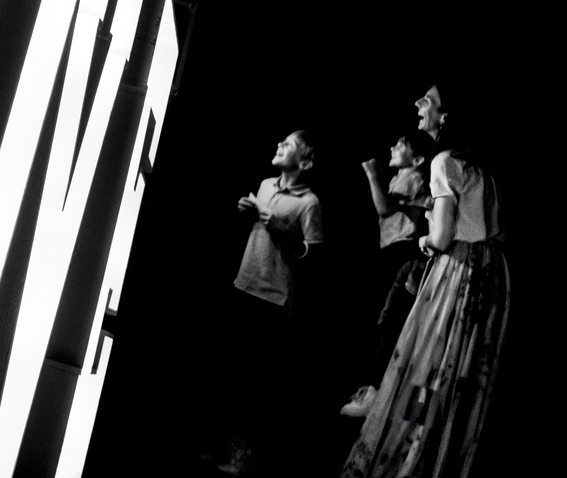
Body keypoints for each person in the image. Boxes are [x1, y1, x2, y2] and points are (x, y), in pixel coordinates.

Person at [341, 86, 509, 478]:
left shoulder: (446, 161)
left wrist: (426, 240)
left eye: (427, 102)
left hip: (461, 270)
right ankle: (442, 455)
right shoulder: (482, 167)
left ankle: (411, 456)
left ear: (446, 117)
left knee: (432, 365)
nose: (418, 105)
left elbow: (441, 237)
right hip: (492, 273)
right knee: (461, 371)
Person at [205, 131, 325, 476]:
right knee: (231, 370)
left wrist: (286, 231)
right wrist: (247, 212)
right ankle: (221, 444)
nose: (278, 146)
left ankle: (246, 454)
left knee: (258, 380)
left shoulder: (309, 202)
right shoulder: (266, 184)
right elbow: (257, 229)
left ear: (305, 162)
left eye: (287, 145)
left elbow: (313, 256)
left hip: (273, 298)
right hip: (244, 284)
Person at [340, 128, 436, 417]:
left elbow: (383, 209)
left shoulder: (413, 178)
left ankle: (378, 392)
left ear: (417, 158)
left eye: (401, 145)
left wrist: (371, 174)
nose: (393, 147)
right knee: (383, 321)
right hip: (393, 251)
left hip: (404, 252)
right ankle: (379, 390)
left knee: (389, 321)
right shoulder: (400, 178)